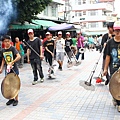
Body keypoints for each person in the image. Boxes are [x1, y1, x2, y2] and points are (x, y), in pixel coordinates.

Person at [103, 21, 120, 112]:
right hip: (114, 67)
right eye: (116, 30)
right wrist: (105, 68)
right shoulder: (110, 42)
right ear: (113, 31)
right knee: (115, 84)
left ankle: (119, 102)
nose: (118, 32)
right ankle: (116, 98)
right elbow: (108, 56)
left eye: (119, 31)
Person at [0, 35, 21, 106]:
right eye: (5, 41)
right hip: (7, 70)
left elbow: (19, 56)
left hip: (14, 69)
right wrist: (1, 68)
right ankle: (11, 99)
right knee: (8, 84)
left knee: (15, 84)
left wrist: (13, 62)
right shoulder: (2, 50)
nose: (7, 43)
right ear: (3, 42)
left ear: (10, 42)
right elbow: (3, 60)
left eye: (8, 41)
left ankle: (16, 99)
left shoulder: (13, 48)